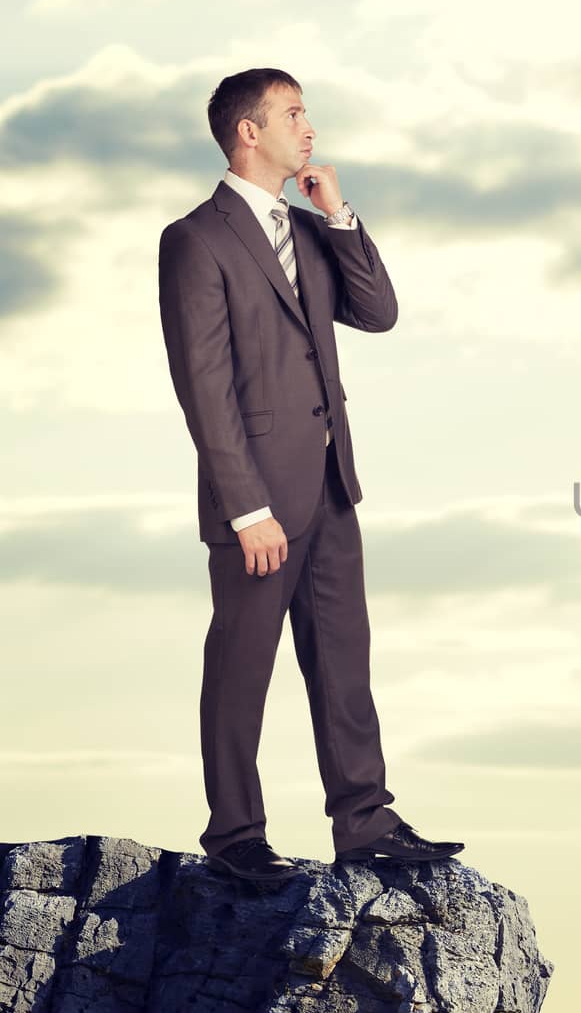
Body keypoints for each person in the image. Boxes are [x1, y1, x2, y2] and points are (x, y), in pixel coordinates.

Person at [157, 67, 463, 883]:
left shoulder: (310, 226)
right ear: (248, 132)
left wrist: (340, 216)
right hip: (256, 498)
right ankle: (234, 837)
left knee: (343, 659)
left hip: (330, 484)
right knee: (241, 666)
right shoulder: (196, 239)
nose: (310, 127)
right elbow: (205, 386)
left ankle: (364, 821)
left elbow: (377, 310)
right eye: (294, 113)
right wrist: (243, 505)